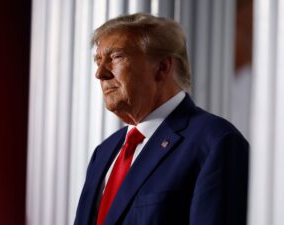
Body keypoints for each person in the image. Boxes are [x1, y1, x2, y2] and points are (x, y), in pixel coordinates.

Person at [74, 13, 249, 225]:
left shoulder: (216, 142)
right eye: (98, 61)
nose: (100, 73)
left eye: (117, 57)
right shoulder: (103, 152)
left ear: (162, 67)